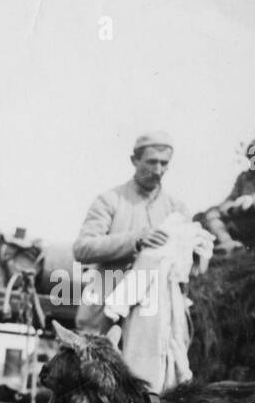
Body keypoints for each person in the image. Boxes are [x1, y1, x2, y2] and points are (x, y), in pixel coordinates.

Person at [72, 130, 188, 336]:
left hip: (153, 324)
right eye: (151, 162)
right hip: (102, 320)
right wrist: (135, 239)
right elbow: (82, 248)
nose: (158, 170)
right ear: (134, 160)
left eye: (164, 163)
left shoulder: (176, 209)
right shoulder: (110, 200)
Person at [199, 139, 255, 256]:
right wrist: (233, 207)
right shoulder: (244, 178)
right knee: (212, 214)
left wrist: (253, 200)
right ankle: (229, 245)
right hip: (249, 221)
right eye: (252, 157)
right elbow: (230, 200)